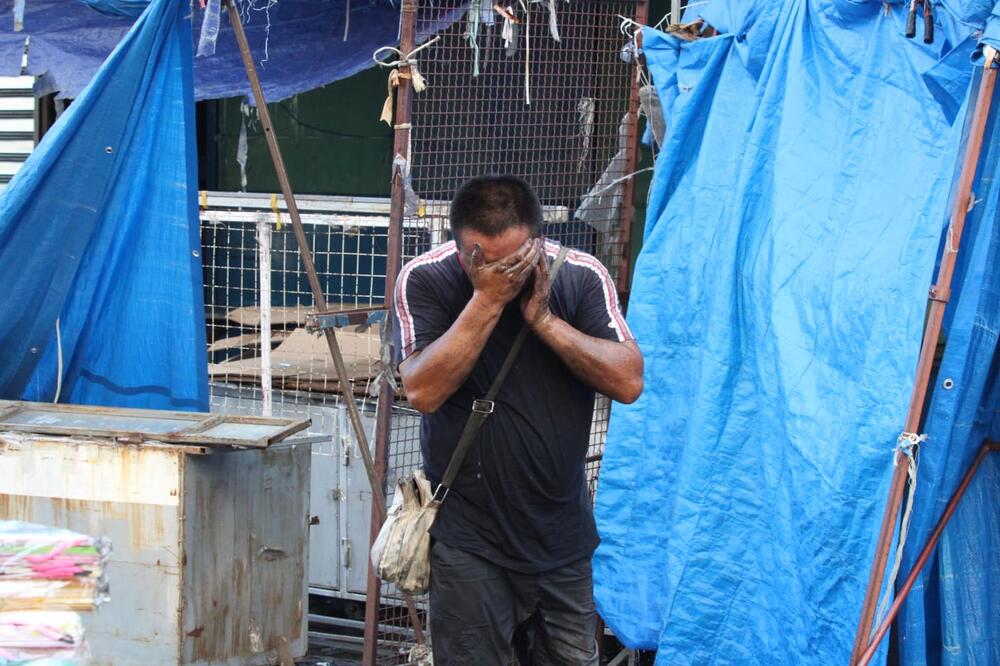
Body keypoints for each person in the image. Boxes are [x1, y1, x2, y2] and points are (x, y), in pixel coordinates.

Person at [392, 175, 644, 665]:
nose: (509, 271)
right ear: (465, 250)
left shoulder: (579, 274)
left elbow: (629, 381)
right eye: (491, 262)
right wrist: (486, 301)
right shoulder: (427, 277)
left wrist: (546, 322)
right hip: (469, 536)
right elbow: (422, 390)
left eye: (520, 257)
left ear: (538, 239)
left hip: (560, 532)